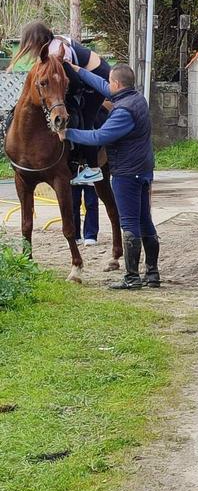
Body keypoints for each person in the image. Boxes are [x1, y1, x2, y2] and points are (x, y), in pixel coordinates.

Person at [57, 63, 159, 291]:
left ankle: (132, 277)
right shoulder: (137, 98)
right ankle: (152, 274)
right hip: (142, 169)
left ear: (117, 84)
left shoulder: (123, 111)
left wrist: (68, 133)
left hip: (126, 172)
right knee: (145, 220)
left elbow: (99, 135)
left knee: (130, 222)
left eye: (110, 82)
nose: (107, 85)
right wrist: (79, 70)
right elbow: (102, 85)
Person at [10, 21, 113, 186]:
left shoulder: (56, 52)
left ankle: (93, 168)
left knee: (86, 120)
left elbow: (76, 83)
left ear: (36, 42)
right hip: (84, 77)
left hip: (98, 79)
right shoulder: (52, 45)